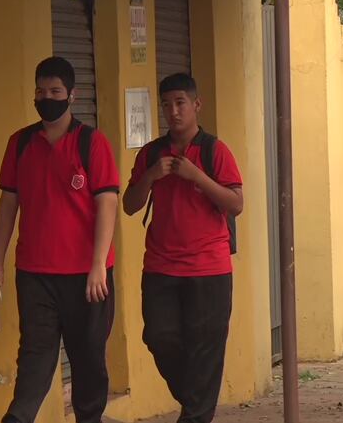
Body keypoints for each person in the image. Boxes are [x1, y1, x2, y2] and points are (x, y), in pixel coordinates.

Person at [0, 56, 120, 423]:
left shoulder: (92, 143)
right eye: (41, 92)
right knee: (35, 354)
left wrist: (97, 266)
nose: (47, 98)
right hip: (35, 273)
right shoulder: (20, 143)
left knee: (88, 356)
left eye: (55, 91)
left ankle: (89, 418)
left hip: (87, 277)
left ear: (72, 95)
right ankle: (18, 417)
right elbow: (9, 202)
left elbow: (108, 204)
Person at [122, 73, 243, 423]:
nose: (173, 111)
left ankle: (196, 410)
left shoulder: (214, 151)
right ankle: (198, 401)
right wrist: (150, 176)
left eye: (180, 103)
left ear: (196, 105)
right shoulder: (151, 154)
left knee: (205, 352)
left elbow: (235, 204)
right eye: (166, 104)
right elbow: (130, 205)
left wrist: (197, 177)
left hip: (209, 268)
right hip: (161, 266)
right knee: (160, 337)